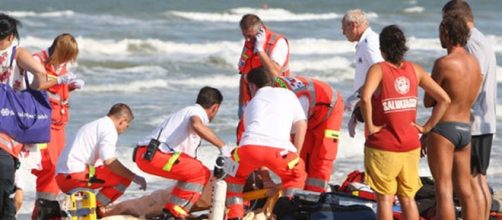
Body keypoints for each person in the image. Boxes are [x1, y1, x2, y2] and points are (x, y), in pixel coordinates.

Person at [360, 25, 450, 220]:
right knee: (407, 199)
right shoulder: (415, 70)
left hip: (384, 145)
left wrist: (370, 126)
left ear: (382, 48)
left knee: (385, 199)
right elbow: (444, 99)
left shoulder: (379, 69)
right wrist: (427, 127)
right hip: (410, 145)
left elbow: (365, 97)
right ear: (403, 47)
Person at [134, 86, 228, 219]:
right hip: (154, 154)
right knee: (201, 173)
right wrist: (222, 147)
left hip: (145, 155)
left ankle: (171, 212)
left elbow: (189, 161)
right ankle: (176, 212)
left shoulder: (185, 113)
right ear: (215, 108)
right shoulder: (196, 112)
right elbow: (196, 124)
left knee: (194, 172)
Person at [225, 67, 308, 220]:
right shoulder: (289, 94)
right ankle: (288, 213)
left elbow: (256, 144)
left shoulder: (252, 103)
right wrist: (296, 154)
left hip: (248, 150)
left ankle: (234, 215)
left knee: (232, 176)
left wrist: (266, 178)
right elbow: (301, 126)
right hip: (281, 152)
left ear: (252, 86)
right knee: (296, 176)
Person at [442, 1, 498, 219]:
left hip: (475, 121)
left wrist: (460, 108)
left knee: (472, 181)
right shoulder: (481, 39)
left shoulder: (472, 43)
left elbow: (476, 78)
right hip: (484, 119)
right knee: (479, 179)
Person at [423, 14, 481, 220]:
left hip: (444, 129)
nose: (439, 36)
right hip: (465, 129)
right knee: (466, 190)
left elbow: (429, 101)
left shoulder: (444, 63)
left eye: (440, 32)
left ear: (446, 33)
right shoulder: (475, 63)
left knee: (444, 189)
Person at [0, 13, 57, 220]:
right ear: (11, 35)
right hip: (10, 129)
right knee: (14, 193)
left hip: (7, 131)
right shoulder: (18, 53)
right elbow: (40, 79)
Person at [55, 103, 147, 216]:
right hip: (75, 177)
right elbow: (109, 161)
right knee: (123, 178)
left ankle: (91, 207)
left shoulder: (95, 125)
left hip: (62, 177)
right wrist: (134, 177)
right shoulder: (109, 130)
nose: (124, 130)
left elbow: (101, 165)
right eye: (126, 126)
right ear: (122, 121)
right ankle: (95, 209)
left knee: (109, 172)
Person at [30, 33, 84, 219]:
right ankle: (42, 212)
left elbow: (57, 92)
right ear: (59, 51)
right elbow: (35, 86)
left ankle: (51, 212)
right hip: (43, 124)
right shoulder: (36, 60)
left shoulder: (62, 65)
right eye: (67, 56)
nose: (68, 61)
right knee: (48, 167)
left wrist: (70, 86)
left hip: (59, 124)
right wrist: (59, 80)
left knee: (59, 167)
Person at [273, 76, 344, 192]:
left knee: (322, 156)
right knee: (304, 157)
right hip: (311, 112)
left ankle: (315, 196)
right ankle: (298, 193)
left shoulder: (293, 101)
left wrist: (292, 162)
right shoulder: (267, 95)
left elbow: (294, 138)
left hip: (330, 109)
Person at [237, 14, 290, 119]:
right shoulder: (249, 43)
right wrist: (241, 104)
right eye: (244, 35)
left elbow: (275, 73)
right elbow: (243, 75)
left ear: (260, 31)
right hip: (252, 104)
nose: (247, 40)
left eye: (250, 36)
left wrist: (260, 50)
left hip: (273, 103)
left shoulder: (277, 43)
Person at [341, 9, 384, 137]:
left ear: (353, 25)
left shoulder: (369, 43)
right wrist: (357, 110)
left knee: (374, 147)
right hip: (368, 104)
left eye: (344, 28)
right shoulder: (364, 42)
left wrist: (355, 98)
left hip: (376, 106)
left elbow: (381, 74)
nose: (343, 32)